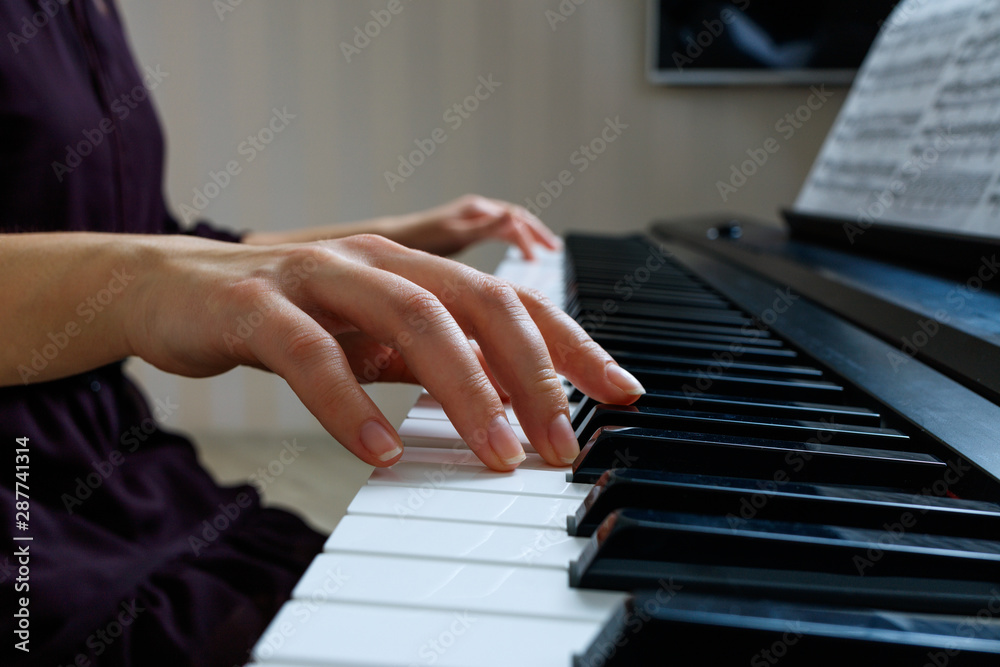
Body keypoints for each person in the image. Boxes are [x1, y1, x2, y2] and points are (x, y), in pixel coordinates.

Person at [0, 2, 644, 665]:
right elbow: (150, 267)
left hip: (115, 463)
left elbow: (157, 246)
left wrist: (404, 235)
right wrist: (143, 284)